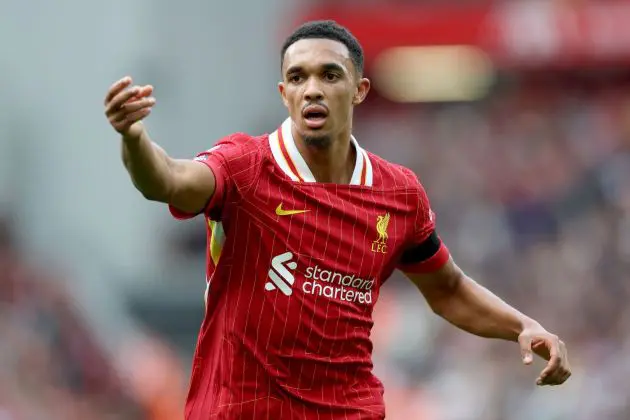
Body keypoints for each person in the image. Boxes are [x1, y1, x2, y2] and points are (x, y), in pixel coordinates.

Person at [103, 20, 571, 420]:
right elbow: (166, 181)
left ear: (359, 89)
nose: (313, 89)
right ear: (284, 93)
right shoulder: (245, 165)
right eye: (298, 77)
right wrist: (133, 139)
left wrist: (521, 326)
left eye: (330, 75)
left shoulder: (398, 192)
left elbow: (447, 289)